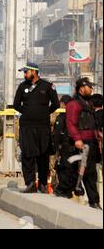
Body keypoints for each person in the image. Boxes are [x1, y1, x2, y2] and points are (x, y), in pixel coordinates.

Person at [13, 62, 59, 193]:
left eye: (26, 72)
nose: (24, 74)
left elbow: (55, 104)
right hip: (27, 126)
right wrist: (27, 112)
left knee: (43, 155)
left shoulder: (48, 86)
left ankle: (43, 184)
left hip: (42, 127)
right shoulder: (22, 86)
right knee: (27, 155)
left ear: (34, 72)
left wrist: (44, 113)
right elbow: (16, 104)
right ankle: (30, 183)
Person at [63, 78, 101, 209]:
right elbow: (71, 124)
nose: (91, 89)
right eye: (89, 87)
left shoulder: (88, 103)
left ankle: (94, 201)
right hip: (80, 142)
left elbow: (92, 123)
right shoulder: (74, 105)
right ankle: (62, 191)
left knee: (91, 173)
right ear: (81, 88)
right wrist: (77, 139)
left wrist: (98, 135)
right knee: (75, 172)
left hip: (91, 142)